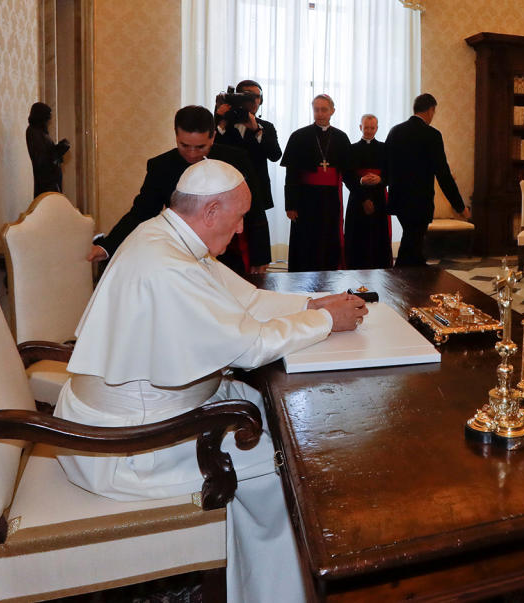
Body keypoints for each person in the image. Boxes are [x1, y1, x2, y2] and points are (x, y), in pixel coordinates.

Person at [56, 159, 368, 602]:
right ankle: (277, 592)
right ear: (212, 210)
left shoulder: (166, 236)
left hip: (161, 407)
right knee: (290, 463)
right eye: (239, 217)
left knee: (294, 417)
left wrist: (314, 303)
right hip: (133, 445)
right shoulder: (168, 264)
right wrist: (323, 321)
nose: (242, 230)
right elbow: (249, 346)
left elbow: (248, 302)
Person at [87, 106, 256, 266]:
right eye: (184, 145)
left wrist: (260, 257)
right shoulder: (160, 166)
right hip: (182, 254)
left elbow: (255, 211)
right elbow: (141, 213)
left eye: (200, 147)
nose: (192, 153)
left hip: (230, 252)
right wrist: (107, 247)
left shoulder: (236, 159)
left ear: (212, 136)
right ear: (176, 136)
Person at [385, 93, 470, 267]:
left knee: (412, 243)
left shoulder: (395, 131)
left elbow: (385, 165)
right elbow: (443, 174)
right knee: (412, 243)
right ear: (431, 110)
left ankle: (413, 278)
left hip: (399, 198)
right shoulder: (432, 135)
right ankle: (405, 279)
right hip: (420, 201)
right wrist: (459, 206)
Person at [213, 79, 282, 273]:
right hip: (225, 191)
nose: (254, 101)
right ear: (237, 99)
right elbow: (209, 150)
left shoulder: (265, 126)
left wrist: (257, 130)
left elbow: (276, 155)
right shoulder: (221, 123)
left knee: (257, 240)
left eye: (258, 97)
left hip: (256, 192)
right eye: (248, 96)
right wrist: (221, 122)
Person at [280, 94, 352, 272]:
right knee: (305, 242)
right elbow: (291, 174)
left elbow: (349, 172)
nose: (319, 113)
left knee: (328, 240)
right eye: (316, 109)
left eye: (324, 109)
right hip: (305, 199)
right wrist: (291, 205)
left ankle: (328, 276)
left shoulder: (341, 138)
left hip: (330, 199)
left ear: (332, 111)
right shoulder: (299, 136)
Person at [342, 114, 392, 269]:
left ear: (377, 128)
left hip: (379, 197)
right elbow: (347, 175)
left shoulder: (385, 148)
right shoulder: (351, 149)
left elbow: (392, 172)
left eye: (372, 128)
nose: (369, 130)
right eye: (366, 127)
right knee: (357, 236)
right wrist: (361, 181)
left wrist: (381, 179)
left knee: (379, 236)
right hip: (357, 196)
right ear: (360, 127)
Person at [25, 102, 70, 197]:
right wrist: (59, 150)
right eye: (46, 118)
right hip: (45, 183)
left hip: (53, 181)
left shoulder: (43, 133)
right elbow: (41, 160)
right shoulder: (33, 132)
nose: (48, 121)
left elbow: (49, 152)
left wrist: (60, 148)